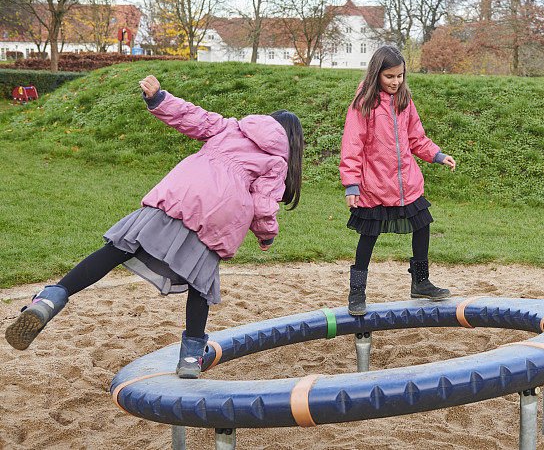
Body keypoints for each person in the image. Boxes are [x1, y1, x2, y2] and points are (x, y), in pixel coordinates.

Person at [5, 75, 304, 379]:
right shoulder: (277, 162)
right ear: (293, 142)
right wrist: (266, 235)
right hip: (219, 215)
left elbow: (191, 117)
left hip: (183, 190)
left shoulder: (232, 128)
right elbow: (265, 205)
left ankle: (52, 298)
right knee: (200, 284)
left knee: (119, 249)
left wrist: (159, 97)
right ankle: (190, 358)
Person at [340, 45, 456, 316]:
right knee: (368, 237)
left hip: (407, 183)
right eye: (389, 76)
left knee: (423, 225)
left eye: (400, 76)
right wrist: (352, 184)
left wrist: (437, 155)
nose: (395, 82)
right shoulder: (364, 104)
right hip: (375, 185)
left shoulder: (404, 101)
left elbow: (416, 138)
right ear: (376, 74)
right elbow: (352, 145)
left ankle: (420, 281)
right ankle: (357, 292)